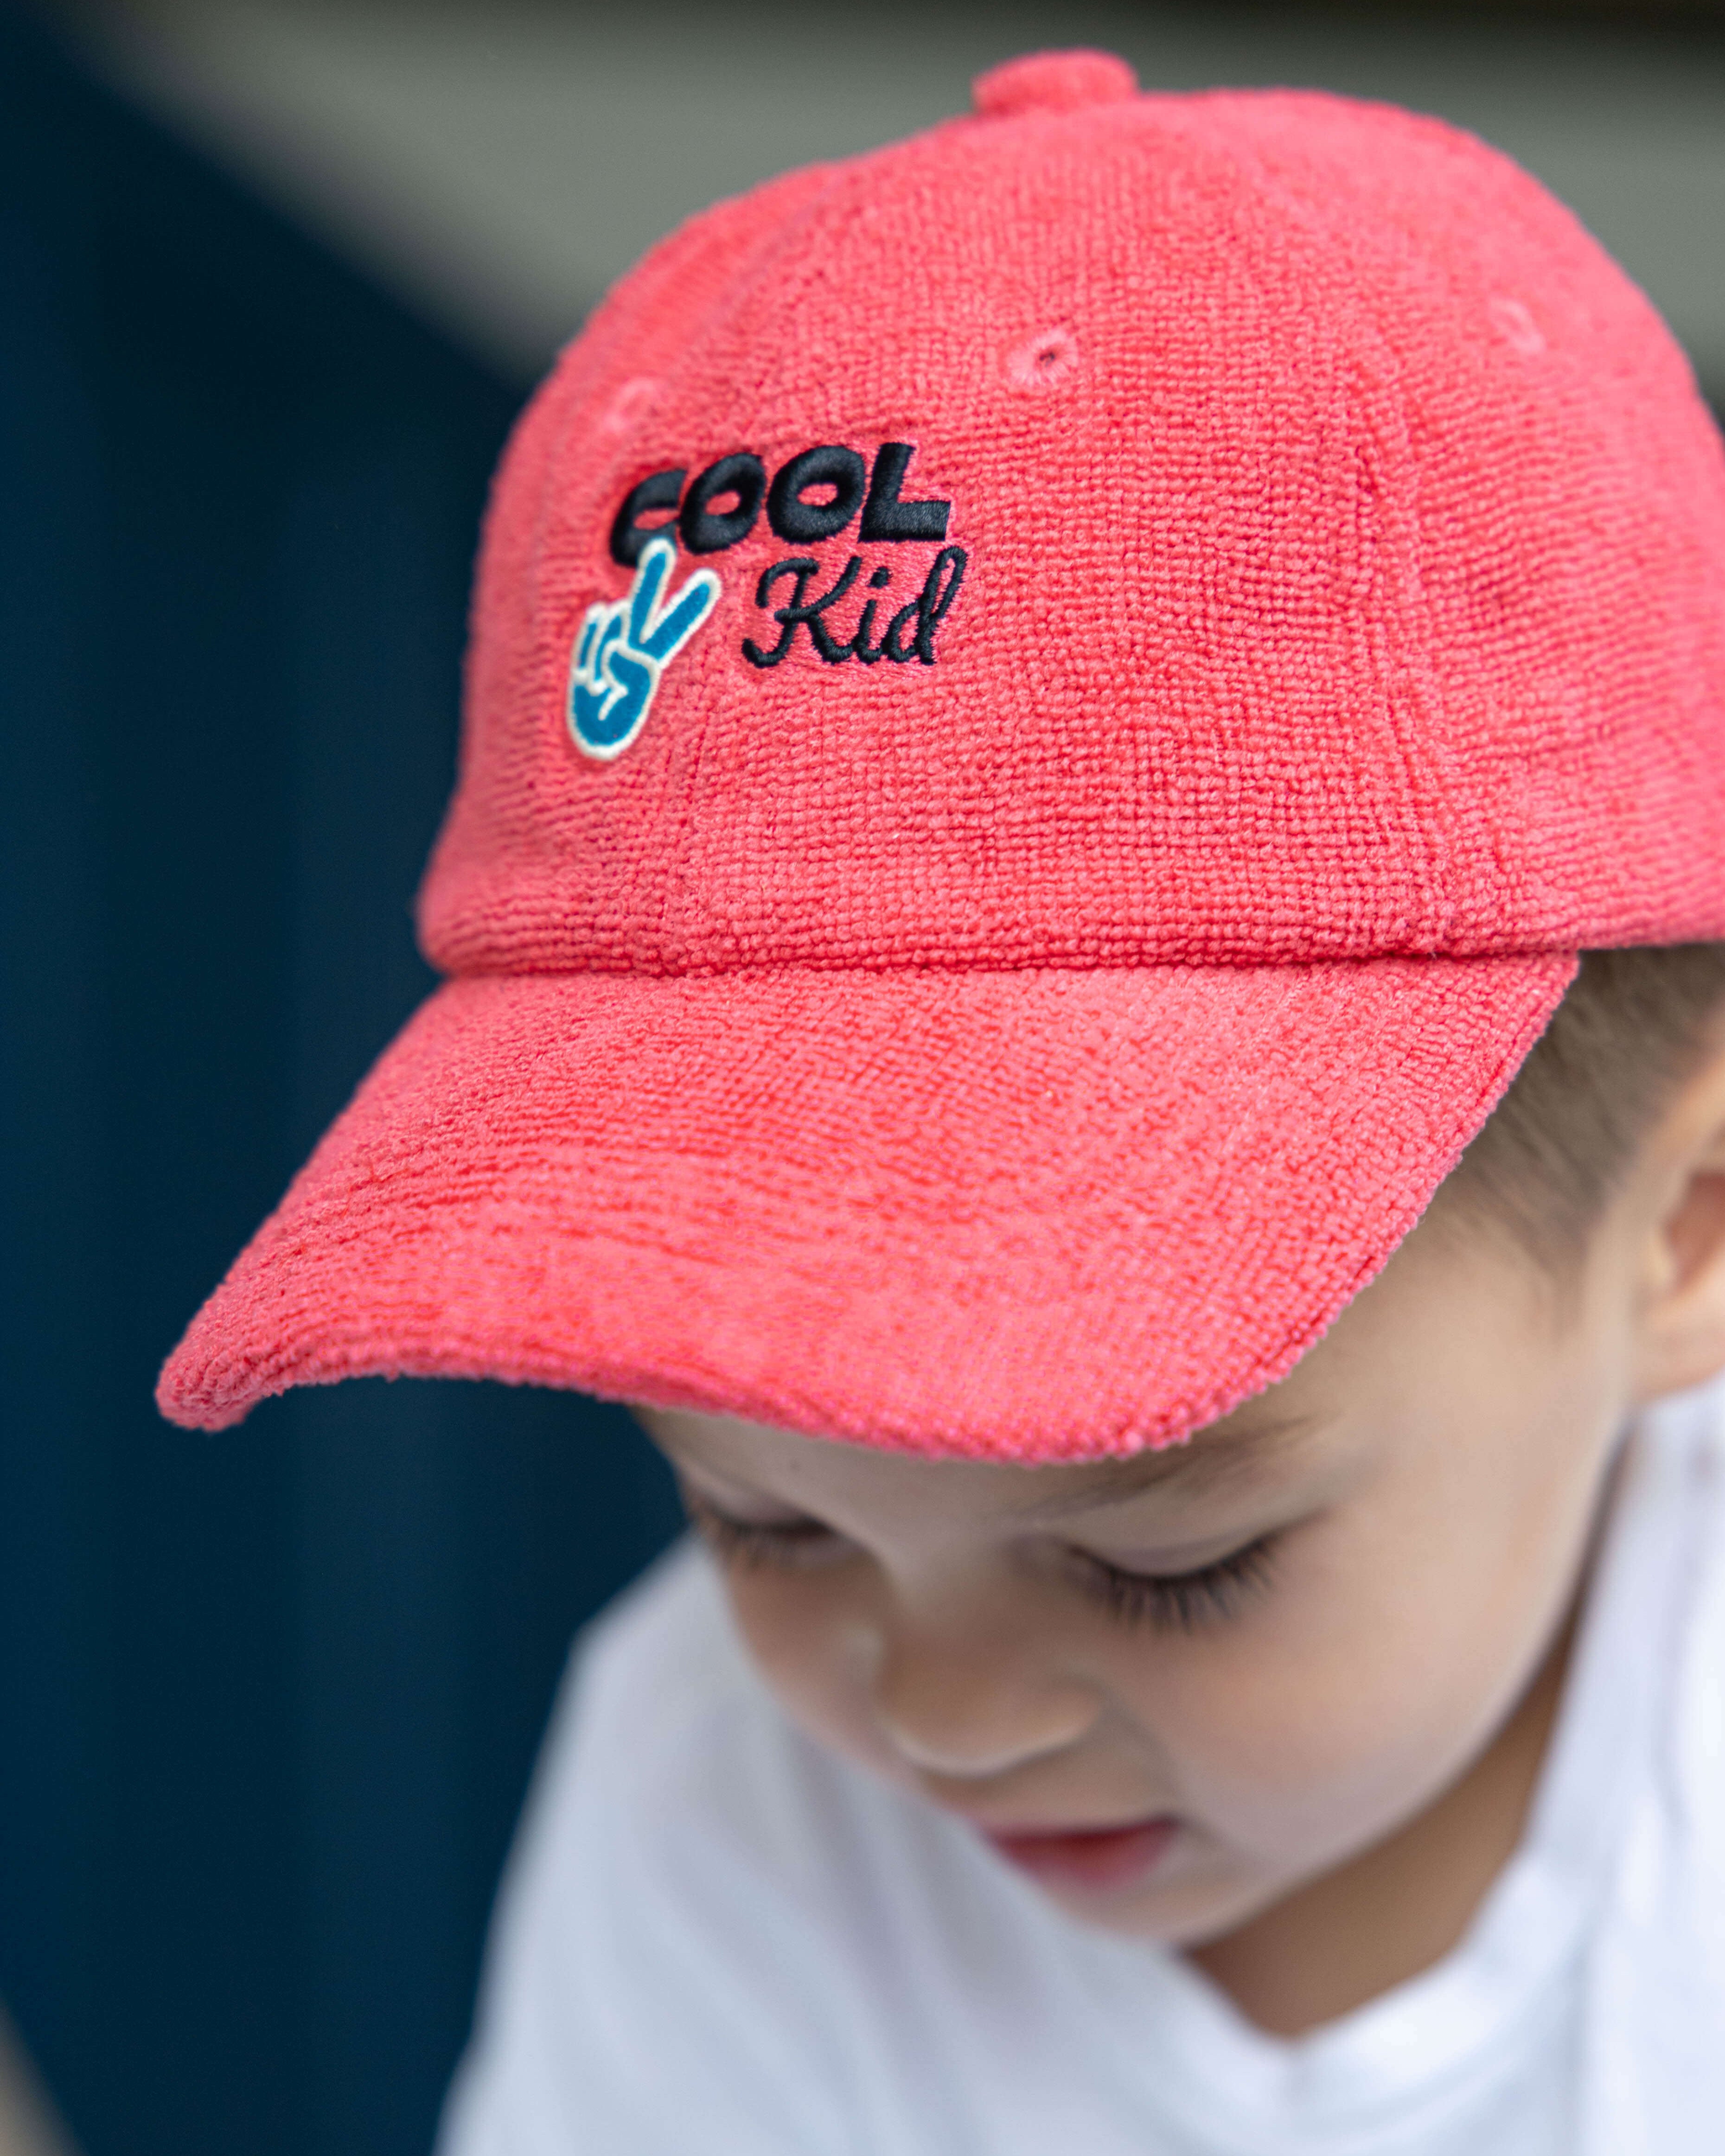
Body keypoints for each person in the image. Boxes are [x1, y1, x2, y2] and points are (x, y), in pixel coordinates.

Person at [158, 48, 1725, 2152]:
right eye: (766, 1522)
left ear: (1688, 1222)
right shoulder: (714, 1779)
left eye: (1175, 1560)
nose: (940, 1709)